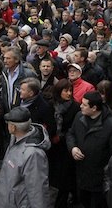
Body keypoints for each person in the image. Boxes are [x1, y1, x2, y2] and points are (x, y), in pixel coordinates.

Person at [66, 91, 112, 208]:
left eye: (84, 104)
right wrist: (73, 148)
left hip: (100, 179)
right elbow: (71, 134)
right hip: (81, 175)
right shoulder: (79, 117)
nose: (80, 106)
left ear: (94, 108)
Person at [0, 106, 51, 208]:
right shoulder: (14, 138)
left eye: (8, 124)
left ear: (13, 127)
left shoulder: (33, 154)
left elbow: (37, 191)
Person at [48, 79, 80, 208]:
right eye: (66, 91)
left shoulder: (75, 107)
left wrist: (61, 136)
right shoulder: (52, 104)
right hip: (53, 146)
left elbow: (74, 128)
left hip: (66, 146)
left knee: (65, 177)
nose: (69, 93)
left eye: (70, 91)